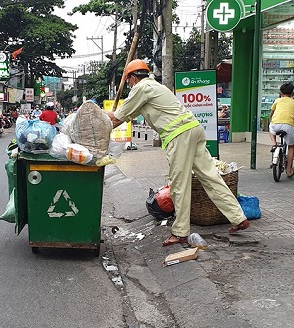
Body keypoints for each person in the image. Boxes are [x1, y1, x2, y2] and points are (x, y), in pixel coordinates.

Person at [105, 59, 250, 246]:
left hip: (179, 134)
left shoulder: (140, 89)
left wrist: (93, 117)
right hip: (193, 128)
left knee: (179, 184)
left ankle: (181, 232)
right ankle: (238, 217)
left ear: (132, 78)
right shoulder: (155, 87)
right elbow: (126, 115)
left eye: (129, 81)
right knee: (211, 177)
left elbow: (116, 119)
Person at [269, 82, 294, 178]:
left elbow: (272, 114)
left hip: (276, 125)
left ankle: (274, 144)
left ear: (281, 92)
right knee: (291, 146)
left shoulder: (277, 100)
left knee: (271, 128)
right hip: (288, 126)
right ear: (292, 93)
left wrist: (273, 119)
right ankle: (289, 170)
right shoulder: (293, 102)